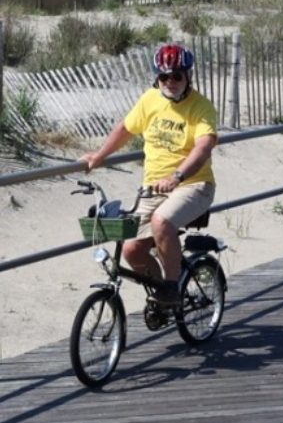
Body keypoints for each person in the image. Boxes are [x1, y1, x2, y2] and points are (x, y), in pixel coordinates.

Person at [81, 44, 218, 307]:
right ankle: (164, 297)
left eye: (177, 75)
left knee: (162, 221)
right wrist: (100, 156)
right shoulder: (150, 99)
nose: (170, 82)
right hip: (153, 188)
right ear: (156, 78)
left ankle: (171, 287)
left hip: (194, 184)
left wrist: (177, 176)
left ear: (188, 75)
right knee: (132, 250)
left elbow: (203, 146)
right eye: (163, 76)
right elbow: (126, 128)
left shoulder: (201, 107)